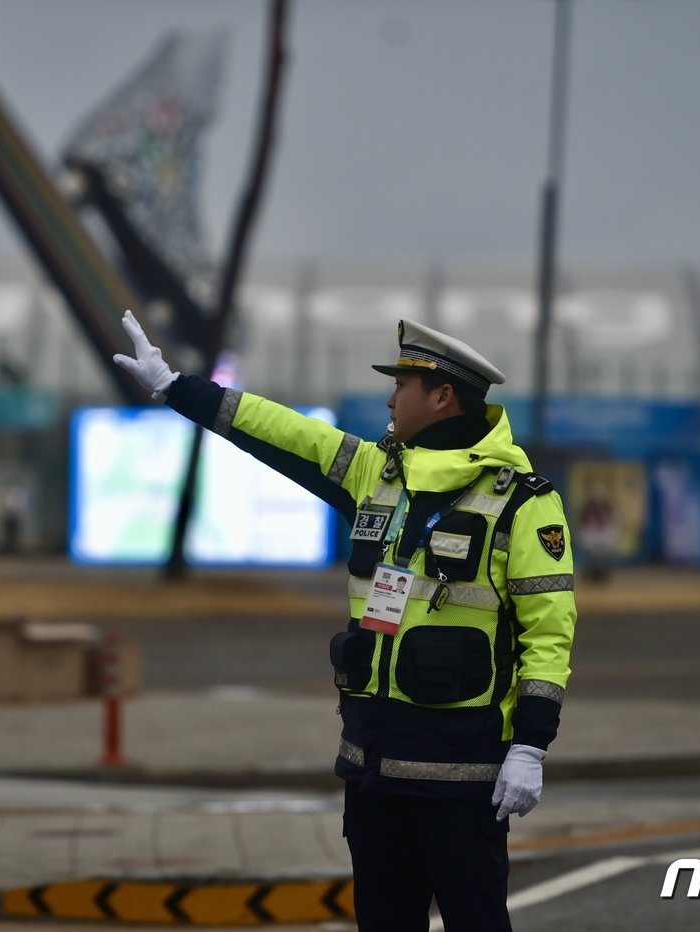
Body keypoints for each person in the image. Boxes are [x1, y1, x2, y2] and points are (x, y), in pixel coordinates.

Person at [116, 312, 577, 931]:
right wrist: (179, 390)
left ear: (442, 396)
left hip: (462, 779)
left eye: (402, 385)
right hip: (372, 770)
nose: (390, 397)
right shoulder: (375, 473)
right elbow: (285, 433)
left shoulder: (522, 501)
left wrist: (530, 745)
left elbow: (548, 632)